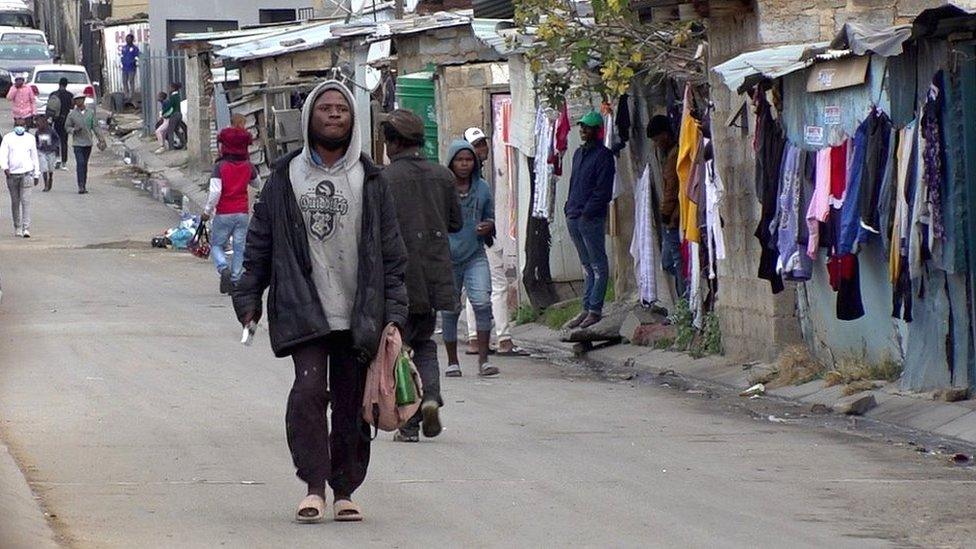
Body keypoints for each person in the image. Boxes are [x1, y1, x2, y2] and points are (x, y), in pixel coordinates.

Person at [232, 80, 408, 524]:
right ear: (310, 117)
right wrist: (249, 295)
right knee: (310, 392)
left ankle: (345, 489)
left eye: (342, 110)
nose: (334, 115)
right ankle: (313, 486)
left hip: (359, 312)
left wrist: (396, 315)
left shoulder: (370, 180)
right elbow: (260, 242)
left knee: (351, 402)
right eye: (325, 108)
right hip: (304, 307)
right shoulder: (285, 177)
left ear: (353, 120)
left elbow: (391, 253)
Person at [382, 109, 462, 443]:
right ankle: (430, 396)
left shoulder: (382, 180)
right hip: (433, 277)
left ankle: (410, 423)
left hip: (397, 278)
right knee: (425, 343)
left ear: (396, 142)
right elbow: (455, 223)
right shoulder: (443, 176)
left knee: (398, 348)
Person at [461, 127, 528, 357]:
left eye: (483, 143)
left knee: (474, 288)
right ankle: (504, 339)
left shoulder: (472, 174)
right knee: (497, 287)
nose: (483, 148)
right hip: (481, 239)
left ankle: (474, 338)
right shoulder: (471, 177)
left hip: (472, 239)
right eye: (477, 145)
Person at [441, 139, 498, 378]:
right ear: (451, 163)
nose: (464, 165)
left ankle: (484, 360)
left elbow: (490, 216)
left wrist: (488, 226)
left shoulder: (483, 188)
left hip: (475, 254)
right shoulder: (442, 188)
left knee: (483, 303)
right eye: (459, 160)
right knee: (450, 309)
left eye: (468, 160)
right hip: (447, 257)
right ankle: (453, 361)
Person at [564, 111, 615, 330]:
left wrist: (588, 211)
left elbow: (602, 190)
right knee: (586, 265)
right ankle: (586, 307)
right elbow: (574, 182)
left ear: (597, 130)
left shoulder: (603, 155)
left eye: (588, 127)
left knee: (598, 265)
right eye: (582, 127)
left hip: (590, 217)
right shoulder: (578, 154)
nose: (583, 130)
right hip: (574, 215)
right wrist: (569, 207)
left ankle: (595, 309)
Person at [202, 120, 259, 294]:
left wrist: (207, 211)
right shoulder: (248, 166)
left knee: (217, 245)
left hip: (224, 213)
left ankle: (223, 268)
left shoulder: (220, 167)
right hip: (242, 213)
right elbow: (257, 184)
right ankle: (235, 279)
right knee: (239, 247)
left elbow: (215, 192)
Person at [647, 115, 685, 298]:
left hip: (674, 218)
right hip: (672, 218)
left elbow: (672, 189)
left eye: (656, 140)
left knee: (678, 263)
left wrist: (665, 213)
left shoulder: (674, 155)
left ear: (665, 135)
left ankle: (684, 307)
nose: (656, 145)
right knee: (670, 262)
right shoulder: (670, 154)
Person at [0, 118, 40, 238]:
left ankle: (26, 227)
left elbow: (34, 157)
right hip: (12, 174)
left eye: (22, 125)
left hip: (27, 173)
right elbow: (3, 154)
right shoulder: (8, 138)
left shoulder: (30, 138)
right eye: (18, 125)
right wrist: (5, 167)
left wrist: (36, 173)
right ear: (14, 126)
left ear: (25, 126)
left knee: (26, 201)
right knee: (15, 202)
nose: (20, 127)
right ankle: (17, 226)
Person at [64, 93, 106, 194]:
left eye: (81, 99)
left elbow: (95, 127)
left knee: (85, 164)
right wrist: (74, 130)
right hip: (77, 143)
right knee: (80, 163)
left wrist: (101, 138)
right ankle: (81, 185)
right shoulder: (72, 114)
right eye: (77, 100)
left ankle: (84, 183)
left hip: (88, 142)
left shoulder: (90, 113)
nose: (79, 101)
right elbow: (67, 127)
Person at [47, 78, 74, 169]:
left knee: (56, 140)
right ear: (66, 85)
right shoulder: (69, 95)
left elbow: (49, 108)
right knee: (64, 141)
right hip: (65, 120)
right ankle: (64, 162)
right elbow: (72, 107)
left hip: (56, 120)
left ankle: (57, 158)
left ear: (59, 84)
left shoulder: (53, 94)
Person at [34, 115, 60, 192]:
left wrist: (55, 147)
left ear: (45, 123)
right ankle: (46, 184)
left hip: (51, 152)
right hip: (42, 152)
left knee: (50, 168)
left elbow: (57, 139)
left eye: (41, 123)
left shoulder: (51, 131)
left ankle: (50, 177)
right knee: (44, 168)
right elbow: (36, 141)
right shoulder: (37, 132)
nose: (39, 125)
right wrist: (37, 146)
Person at [155, 83, 183, 153]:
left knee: (165, 131)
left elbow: (170, 109)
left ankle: (168, 147)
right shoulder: (173, 97)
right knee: (174, 131)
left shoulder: (171, 98)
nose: (169, 89)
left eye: (170, 88)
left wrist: (164, 115)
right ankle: (183, 143)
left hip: (172, 117)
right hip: (175, 115)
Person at [120, 34, 140, 103]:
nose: (127, 40)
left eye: (129, 39)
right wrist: (122, 62)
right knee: (124, 81)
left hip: (132, 68)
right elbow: (122, 56)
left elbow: (137, 56)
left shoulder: (135, 48)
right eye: (126, 39)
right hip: (124, 68)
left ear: (132, 39)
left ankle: (132, 95)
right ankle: (126, 95)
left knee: (131, 81)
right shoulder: (124, 48)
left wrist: (133, 61)